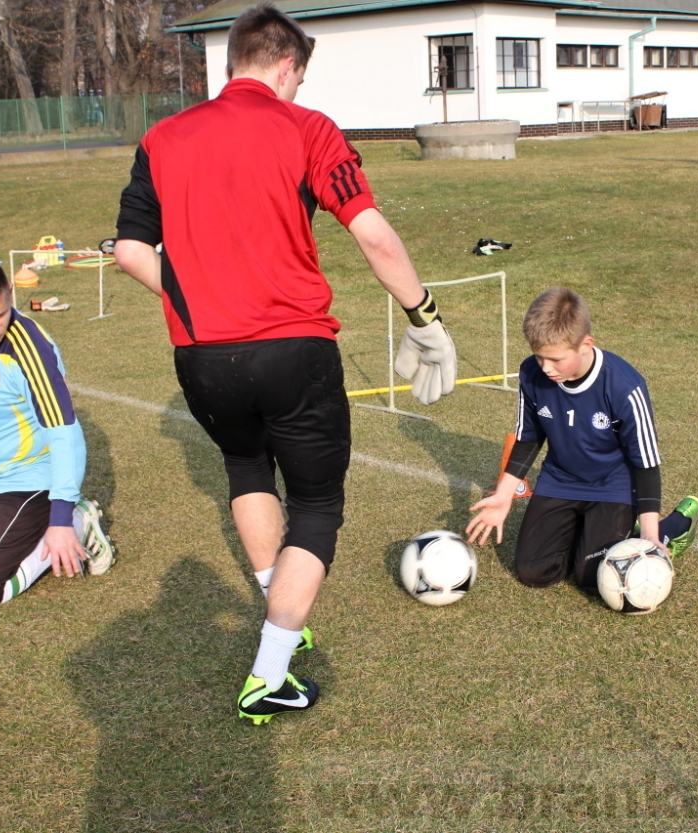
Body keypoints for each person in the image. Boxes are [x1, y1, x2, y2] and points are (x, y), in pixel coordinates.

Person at [114, 4, 456, 724]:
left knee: (245, 467)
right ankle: (269, 671)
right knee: (319, 506)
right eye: (299, 76)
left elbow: (130, 250)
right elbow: (374, 236)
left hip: (200, 358)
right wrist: (424, 315)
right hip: (292, 348)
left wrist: (189, 295)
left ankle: (287, 621)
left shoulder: (163, 136)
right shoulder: (306, 127)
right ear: (286, 66)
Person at [465, 287, 698, 590]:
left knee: (593, 578)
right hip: (560, 479)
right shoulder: (530, 374)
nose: (546, 368)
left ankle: (671, 529)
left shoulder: (624, 386)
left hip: (613, 485)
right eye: (539, 357)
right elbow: (528, 436)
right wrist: (503, 494)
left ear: (586, 345)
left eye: (555, 359)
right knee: (534, 573)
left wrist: (650, 534)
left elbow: (645, 464)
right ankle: (588, 530)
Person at [0, 260, 114, 611]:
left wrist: (59, 520)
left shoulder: (29, 351)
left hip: (29, 483)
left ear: (10, 294)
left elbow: (64, 434)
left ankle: (78, 521)